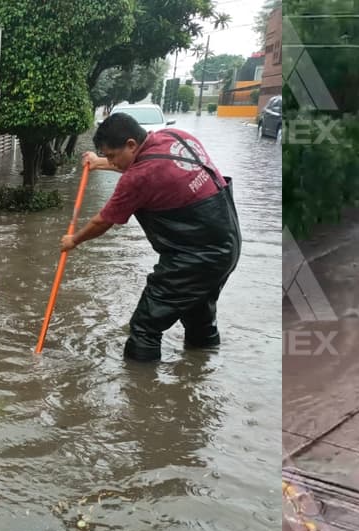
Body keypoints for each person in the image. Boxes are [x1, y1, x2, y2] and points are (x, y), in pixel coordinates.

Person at [61, 113, 241, 362]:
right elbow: (152, 168)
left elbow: (102, 221)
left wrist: (74, 240)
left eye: (112, 156)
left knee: (145, 327)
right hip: (227, 243)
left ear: (132, 144)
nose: (111, 161)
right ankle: (202, 370)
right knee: (198, 316)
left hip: (194, 257)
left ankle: (141, 392)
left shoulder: (136, 179)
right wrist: (99, 162)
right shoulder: (176, 137)